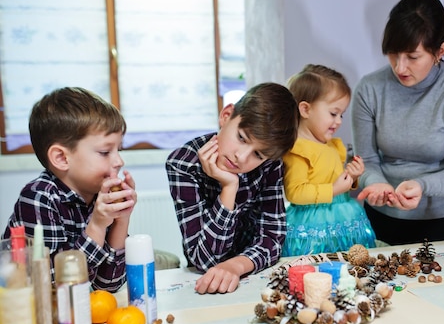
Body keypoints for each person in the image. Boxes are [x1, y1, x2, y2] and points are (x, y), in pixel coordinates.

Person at [351, 0, 444, 245]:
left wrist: (421, 185)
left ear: (440, 51)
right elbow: (365, 160)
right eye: (393, 54)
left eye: (412, 57)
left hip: (442, 223)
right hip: (379, 219)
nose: (400, 67)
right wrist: (377, 184)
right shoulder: (369, 89)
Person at [166, 82, 298, 294]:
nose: (242, 157)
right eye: (242, 138)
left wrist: (236, 266)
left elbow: (273, 237)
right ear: (226, 116)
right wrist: (229, 187)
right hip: (202, 282)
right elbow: (204, 259)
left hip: (253, 274)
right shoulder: (183, 164)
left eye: (258, 154)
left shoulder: (270, 164)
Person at [3, 87, 136, 292]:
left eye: (119, 149)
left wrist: (122, 219)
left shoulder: (99, 196)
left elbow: (109, 285)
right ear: (61, 158)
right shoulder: (38, 198)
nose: (119, 161)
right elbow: (54, 287)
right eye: (104, 151)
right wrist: (98, 226)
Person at [282, 64, 376, 256]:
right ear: (306, 109)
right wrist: (333, 190)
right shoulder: (299, 150)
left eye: (341, 114)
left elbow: (334, 177)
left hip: (343, 217)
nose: (339, 120)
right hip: (313, 226)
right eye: (333, 114)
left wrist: (352, 176)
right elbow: (295, 192)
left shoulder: (331, 146)